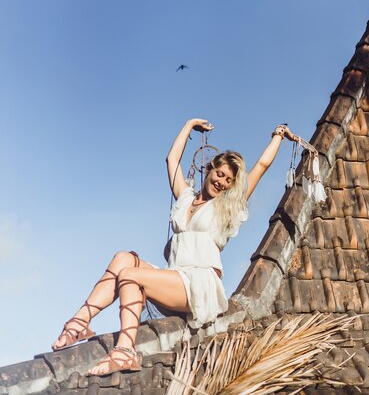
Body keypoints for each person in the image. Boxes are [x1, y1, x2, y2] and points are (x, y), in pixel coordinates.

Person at [52, 118, 296, 375]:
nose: (222, 181)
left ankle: (125, 350)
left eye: (228, 180)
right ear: (209, 170)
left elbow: (262, 165)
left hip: (198, 284)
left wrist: (278, 135)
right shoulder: (186, 198)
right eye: (219, 174)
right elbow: (172, 160)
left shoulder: (227, 208)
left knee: (130, 276)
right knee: (123, 258)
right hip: (173, 278)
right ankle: (79, 322)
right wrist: (189, 125)